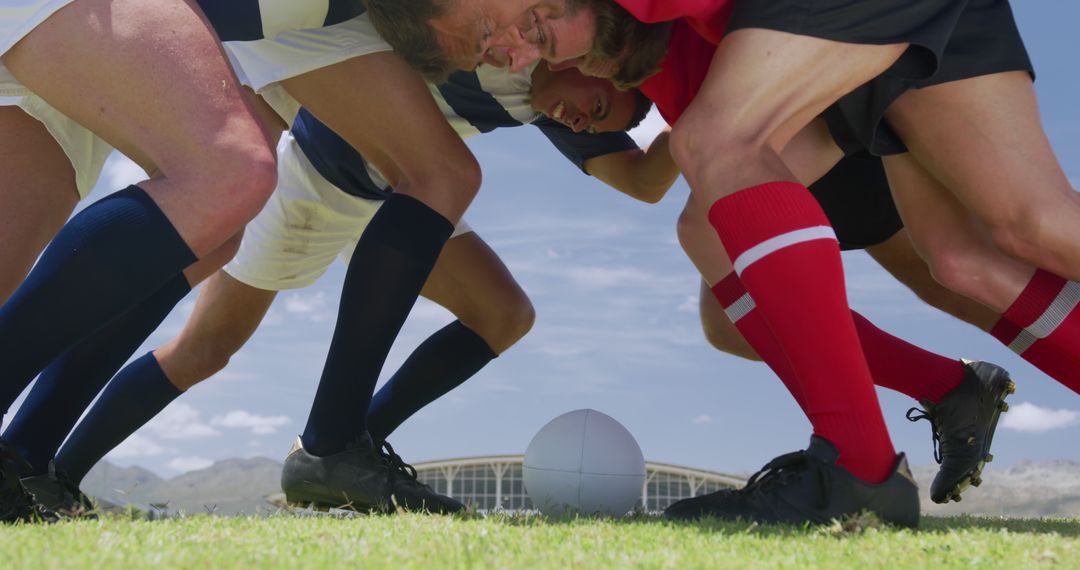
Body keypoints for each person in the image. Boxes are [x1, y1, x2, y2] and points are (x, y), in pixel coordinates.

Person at [3, 14, 668, 515]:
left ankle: (342, 443)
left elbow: (641, 181)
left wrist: (694, 130)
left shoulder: (547, 99)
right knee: (207, 344)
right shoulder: (524, 32)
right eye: (599, 98)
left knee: (503, 311)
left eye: (597, 118)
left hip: (392, 195)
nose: (585, 120)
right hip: (323, 175)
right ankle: (50, 463)